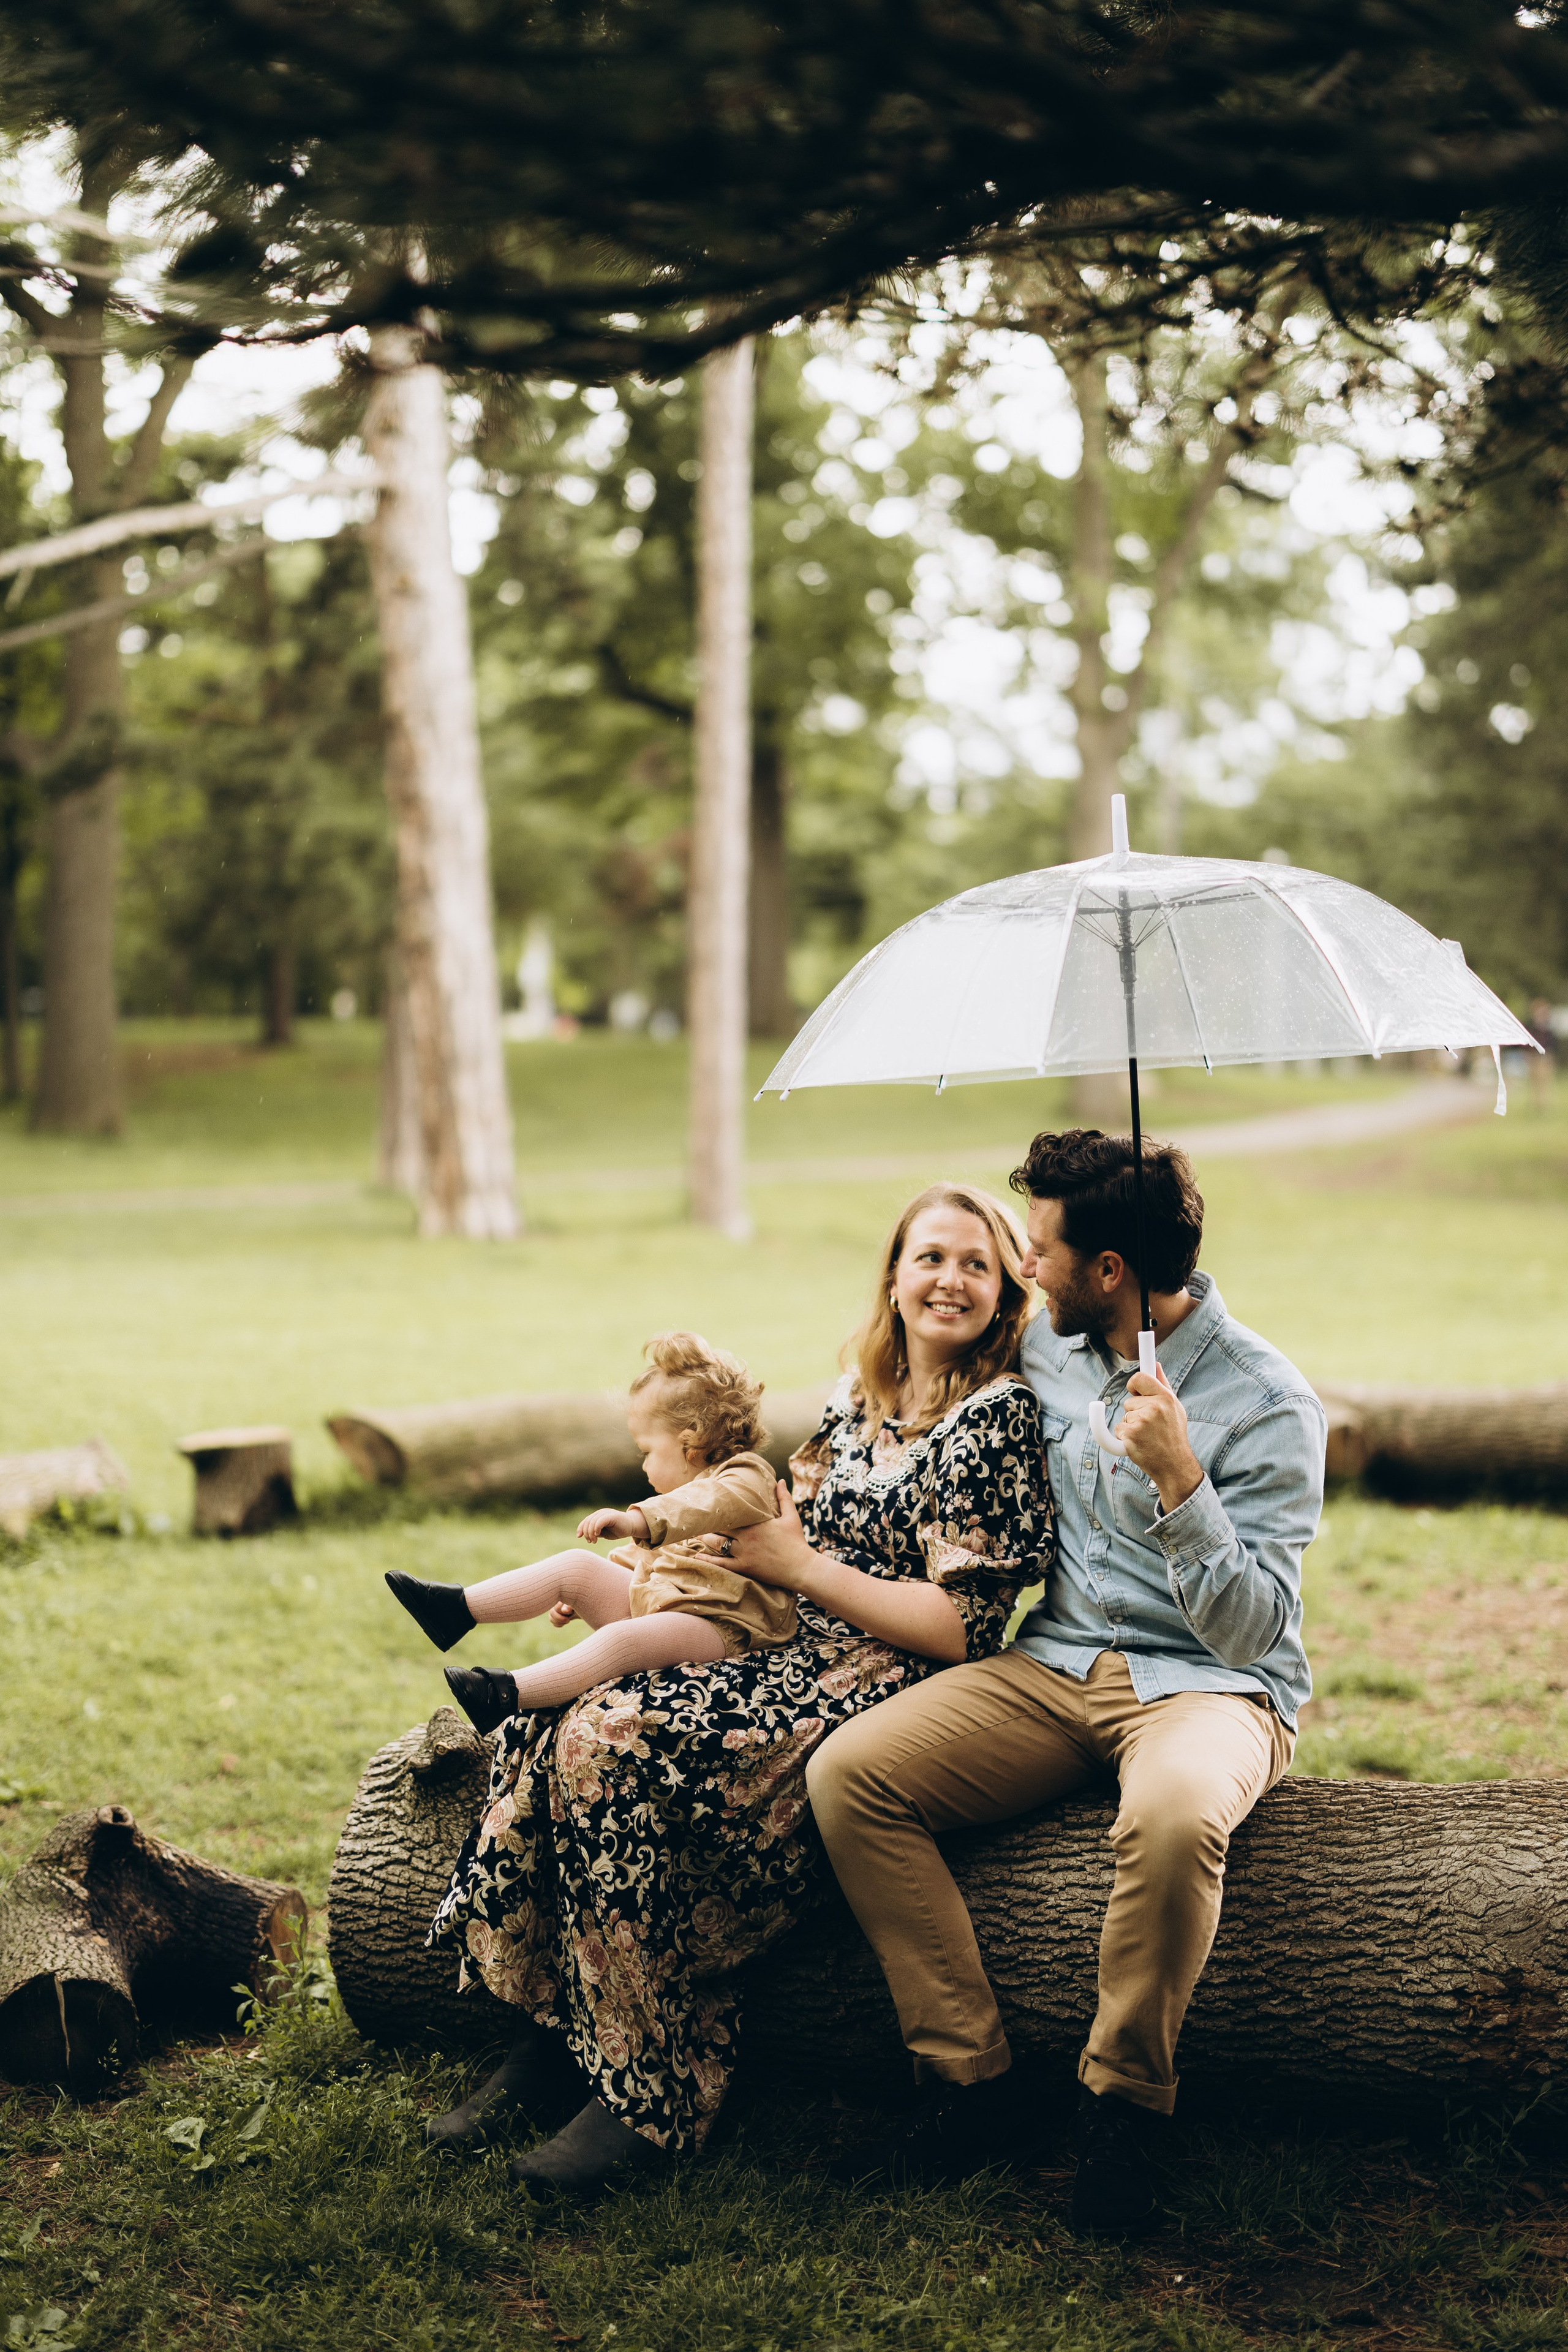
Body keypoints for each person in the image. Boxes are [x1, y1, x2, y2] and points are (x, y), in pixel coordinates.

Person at [421, 1183, 1055, 2188]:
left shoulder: (997, 1423)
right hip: (772, 1628)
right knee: (553, 1712)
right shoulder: (861, 1398)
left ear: (1007, 1291)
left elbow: (959, 1627)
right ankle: (561, 2031)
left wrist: (804, 1575)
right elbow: (759, 1522)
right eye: (929, 1256)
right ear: (893, 1276)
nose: (949, 1279)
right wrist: (646, 1583)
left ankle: (650, 2096)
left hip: (872, 1668)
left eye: (976, 1263)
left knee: (618, 1734)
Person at [804, 1129, 1324, 2235]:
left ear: (1110, 1273)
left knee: (1177, 1817)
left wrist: (1183, 1480)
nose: (1024, 1267)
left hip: (1212, 1687)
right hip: (1054, 1662)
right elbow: (906, 1377)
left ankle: (1122, 2108)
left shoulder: (1270, 1402)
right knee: (853, 1774)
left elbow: (1260, 1627)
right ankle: (971, 2083)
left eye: (1040, 1249)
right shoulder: (1045, 1350)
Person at [385, 1332, 793, 1733]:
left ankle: (504, 1693)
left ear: (693, 1440)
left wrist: (636, 1520)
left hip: (723, 1628)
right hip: (667, 1607)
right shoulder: (675, 1504)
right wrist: (588, 1593)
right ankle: (454, 1609)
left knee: (620, 1641)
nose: (643, 1466)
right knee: (577, 1568)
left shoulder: (745, 1479)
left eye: (647, 1451)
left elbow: (696, 1508)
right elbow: (650, 1556)